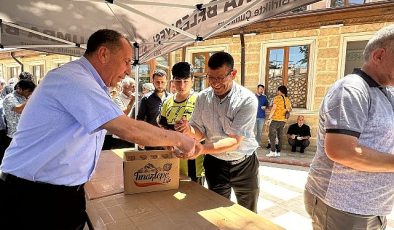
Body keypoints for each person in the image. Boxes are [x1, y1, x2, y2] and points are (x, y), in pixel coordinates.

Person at [0, 29, 195, 230]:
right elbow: (129, 129)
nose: (128, 70)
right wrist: (179, 139)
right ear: (103, 54)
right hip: (34, 196)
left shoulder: (88, 82)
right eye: (126, 61)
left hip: (57, 193)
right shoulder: (73, 79)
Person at [304, 25, 394, 230]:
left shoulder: (385, 93)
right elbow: (341, 150)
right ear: (379, 55)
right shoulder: (351, 89)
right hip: (342, 206)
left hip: (372, 206)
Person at [175, 52, 260, 212]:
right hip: (215, 164)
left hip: (244, 164)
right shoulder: (202, 98)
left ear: (233, 74)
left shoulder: (247, 100)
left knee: (249, 211)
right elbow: (199, 131)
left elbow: (234, 141)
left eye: (220, 78)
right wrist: (188, 129)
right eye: (210, 77)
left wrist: (202, 149)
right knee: (216, 210)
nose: (214, 83)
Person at [159, 62, 205, 185]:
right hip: (173, 160)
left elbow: (207, 131)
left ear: (193, 80)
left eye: (186, 81)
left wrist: (189, 130)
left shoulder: (200, 100)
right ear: (173, 81)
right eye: (178, 81)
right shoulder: (167, 101)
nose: (182, 85)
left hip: (194, 161)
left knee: (196, 198)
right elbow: (162, 126)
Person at [137, 69, 170, 150]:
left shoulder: (171, 98)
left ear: (167, 82)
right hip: (151, 138)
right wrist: (140, 138)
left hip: (168, 139)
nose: (160, 84)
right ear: (153, 82)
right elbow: (140, 119)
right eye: (157, 82)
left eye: (162, 82)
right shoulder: (146, 98)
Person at [2, 79, 36, 151]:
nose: (30, 94)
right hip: (15, 135)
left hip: (26, 134)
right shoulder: (10, 98)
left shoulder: (25, 97)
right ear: (19, 89)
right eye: (28, 92)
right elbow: (19, 109)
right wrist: (32, 98)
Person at [265, 85, 292, 157]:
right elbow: (290, 109)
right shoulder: (287, 99)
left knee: (272, 135)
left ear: (280, 91)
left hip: (275, 120)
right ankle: (278, 152)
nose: (277, 92)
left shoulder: (277, 98)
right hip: (283, 120)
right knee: (280, 136)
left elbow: (273, 109)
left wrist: (269, 118)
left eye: (278, 90)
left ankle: (272, 151)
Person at [112, 77, 136, 149]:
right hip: (120, 137)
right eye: (133, 87)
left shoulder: (135, 98)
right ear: (125, 87)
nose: (135, 89)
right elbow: (123, 113)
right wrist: (132, 101)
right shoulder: (117, 99)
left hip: (132, 135)